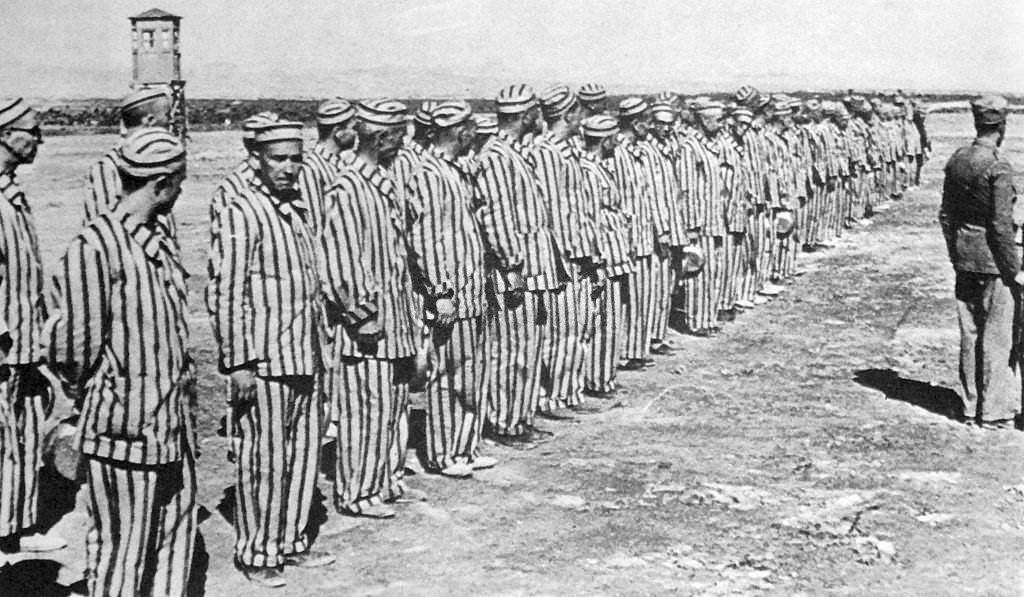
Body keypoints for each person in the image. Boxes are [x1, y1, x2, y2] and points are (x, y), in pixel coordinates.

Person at [47, 128, 194, 596]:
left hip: (171, 424)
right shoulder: (96, 247)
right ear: (163, 184)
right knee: (122, 551)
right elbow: (72, 348)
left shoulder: (157, 242)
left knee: (175, 535)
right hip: (124, 432)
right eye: (179, 183)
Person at [207, 120, 334, 587]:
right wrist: (239, 361)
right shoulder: (244, 211)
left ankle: (291, 541)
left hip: (305, 353)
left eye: (295, 158)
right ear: (257, 158)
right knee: (265, 458)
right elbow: (227, 291)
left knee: (302, 455)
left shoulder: (296, 207)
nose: (288, 167)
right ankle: (258, 552)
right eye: (277, 158)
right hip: (266, 359)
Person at [320, 99, 423, 516]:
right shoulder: (348, 188)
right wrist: (361, 317)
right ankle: (358, 492)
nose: (403, 143)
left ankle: (385, 481)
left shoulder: (382, 181)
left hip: (395, 321)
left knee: (393, 406)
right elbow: (340, 261)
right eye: (398, 134)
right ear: (381, 137)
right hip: (370, 327)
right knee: (367, 410)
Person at [404, 100, 496, 477]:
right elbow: (426, 241)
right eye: (470, 128)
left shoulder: (454, 171)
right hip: (451, 294)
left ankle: (465, 446)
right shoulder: (427, 174)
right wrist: (441, 293)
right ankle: (444, 453)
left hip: (471, 289)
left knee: (471, 369)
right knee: (448, 373)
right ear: (460, 132)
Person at [476, 84, 564, 447]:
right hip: (514, 270)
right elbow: (496, 216)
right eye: (534, 112)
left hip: (533, 267)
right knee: (510, 349)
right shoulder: (496, 155)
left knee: (527, 347)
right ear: (524, 115)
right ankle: (504, 422)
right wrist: (512, 268)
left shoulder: (513, 153)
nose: (539, 117)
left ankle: (519, 418)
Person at [0, 98, 66, 564]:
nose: (39, 141)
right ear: (5, 134)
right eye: (32, 132)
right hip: (3, 350)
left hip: (23, 348)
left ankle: (14, 529)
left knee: (22, 439)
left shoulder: (12, 196)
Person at [939, 94, 1022, 430]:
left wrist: (956, 251)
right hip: (993, 262)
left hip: (965, 258)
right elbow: (1001, 225)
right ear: (1001, 125)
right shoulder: (998, 166)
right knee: (997, 336)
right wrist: (1013, 269)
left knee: (970, 332)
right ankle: (994, 411)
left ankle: (971, 405)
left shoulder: (957, 160)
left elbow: (946, 215)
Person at [531, 85, 601, 418]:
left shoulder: (565, 149)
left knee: (580, 326)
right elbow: (555, 209)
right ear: (569, 114)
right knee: (563, 329)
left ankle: (569, 392)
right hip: (565, 255)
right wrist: (572, 253)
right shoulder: (547, 152)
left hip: (580, 251)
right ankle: (553, 397)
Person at [83, 88, 177, 237]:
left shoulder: (158, 162)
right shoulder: (107, 168)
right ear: (149, 121)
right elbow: (103, 236)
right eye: (167, 115)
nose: (171, 122)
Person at [297, 98, 357, 238]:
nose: (356, 134)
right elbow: (315, 228)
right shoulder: (311, 169)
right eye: (353, 128)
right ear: (338, 132)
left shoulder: (340, 163)